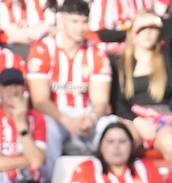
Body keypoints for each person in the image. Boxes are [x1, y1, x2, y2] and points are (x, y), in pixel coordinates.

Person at [25, 0, 111, 157]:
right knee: (47, 128)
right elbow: (40, 101)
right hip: (55, 114)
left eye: (84, 22)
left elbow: (100, 101)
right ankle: (48, 172)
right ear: (62, 20)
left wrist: (91, 118)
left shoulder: (96, 52)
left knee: (113, 129)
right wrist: (67, 120)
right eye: (75, 21)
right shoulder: (42, 49)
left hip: (85, 113)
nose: (80, 28)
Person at [111, 11, 172, 162]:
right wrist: (137, 121)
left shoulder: (167, 57)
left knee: (169, 141)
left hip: (164, 117)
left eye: (152, 28)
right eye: (142, 29)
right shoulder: (118, 63)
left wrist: (157, 20)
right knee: (121, 141)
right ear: (132, 33)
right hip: (131, 116)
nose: (147, 33)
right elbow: (116, 101)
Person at [0, 66, 61, 183]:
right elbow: (33, 159)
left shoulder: (37, 118)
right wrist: (28, 159)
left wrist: (21, 123)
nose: (13, 90)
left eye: (17, 84)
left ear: (24, 88)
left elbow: (37, 162)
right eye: (8, 85)